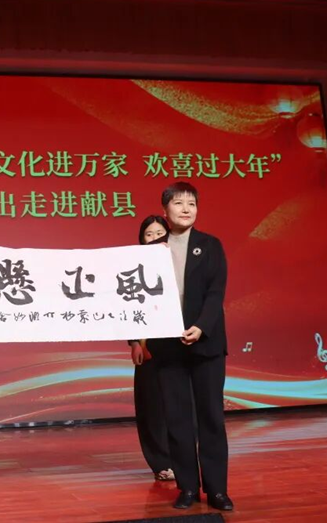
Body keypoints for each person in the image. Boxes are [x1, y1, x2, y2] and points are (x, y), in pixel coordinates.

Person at [148, 182, 233, 511]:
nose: (186, 209)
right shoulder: (153, 251)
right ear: (165, 210)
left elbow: (216, 292)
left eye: (192, 204)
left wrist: (201, 326)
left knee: (211, 417)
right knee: (178, 419)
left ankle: (217, 490)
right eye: (178, 203)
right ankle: (187, 487)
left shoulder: (210, 245)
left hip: (206, 344)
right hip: (168, 347)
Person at [128, 215, 174, 482]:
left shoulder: (182, 264)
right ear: (141, 240)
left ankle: (182, 459)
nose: (155, 238)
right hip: (149, 349)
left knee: (178, 405)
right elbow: (128, 307)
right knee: (151, 407)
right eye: (149, 234)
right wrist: (134, 341)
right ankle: (160, 462)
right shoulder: (133, 268)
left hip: (179, 346)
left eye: (160, 233)